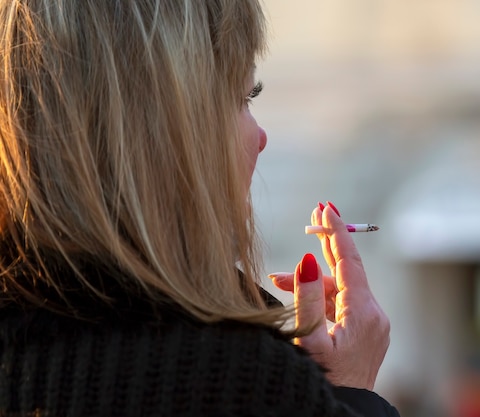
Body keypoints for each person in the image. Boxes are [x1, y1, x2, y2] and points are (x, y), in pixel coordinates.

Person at [0, 1, 399, 416]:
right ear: (170, 129)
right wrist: (349, 392)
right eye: (243, 97)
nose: (260, 137)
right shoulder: (238, 383)